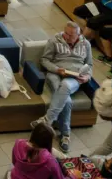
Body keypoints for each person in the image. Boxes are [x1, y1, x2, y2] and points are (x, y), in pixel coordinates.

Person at [31, 22, 92, 154]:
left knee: (65, 87)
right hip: (55, 74)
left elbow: (90, 65)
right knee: (67, 100)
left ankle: (47, 120)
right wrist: (57, 69)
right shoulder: (54, 41)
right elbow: (44, 60)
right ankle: (65, 135)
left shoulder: (86, 44)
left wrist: (86, 77)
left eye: (71, 35)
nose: (67, 37)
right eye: (66, 33)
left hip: (74, 77)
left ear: (79, 34)